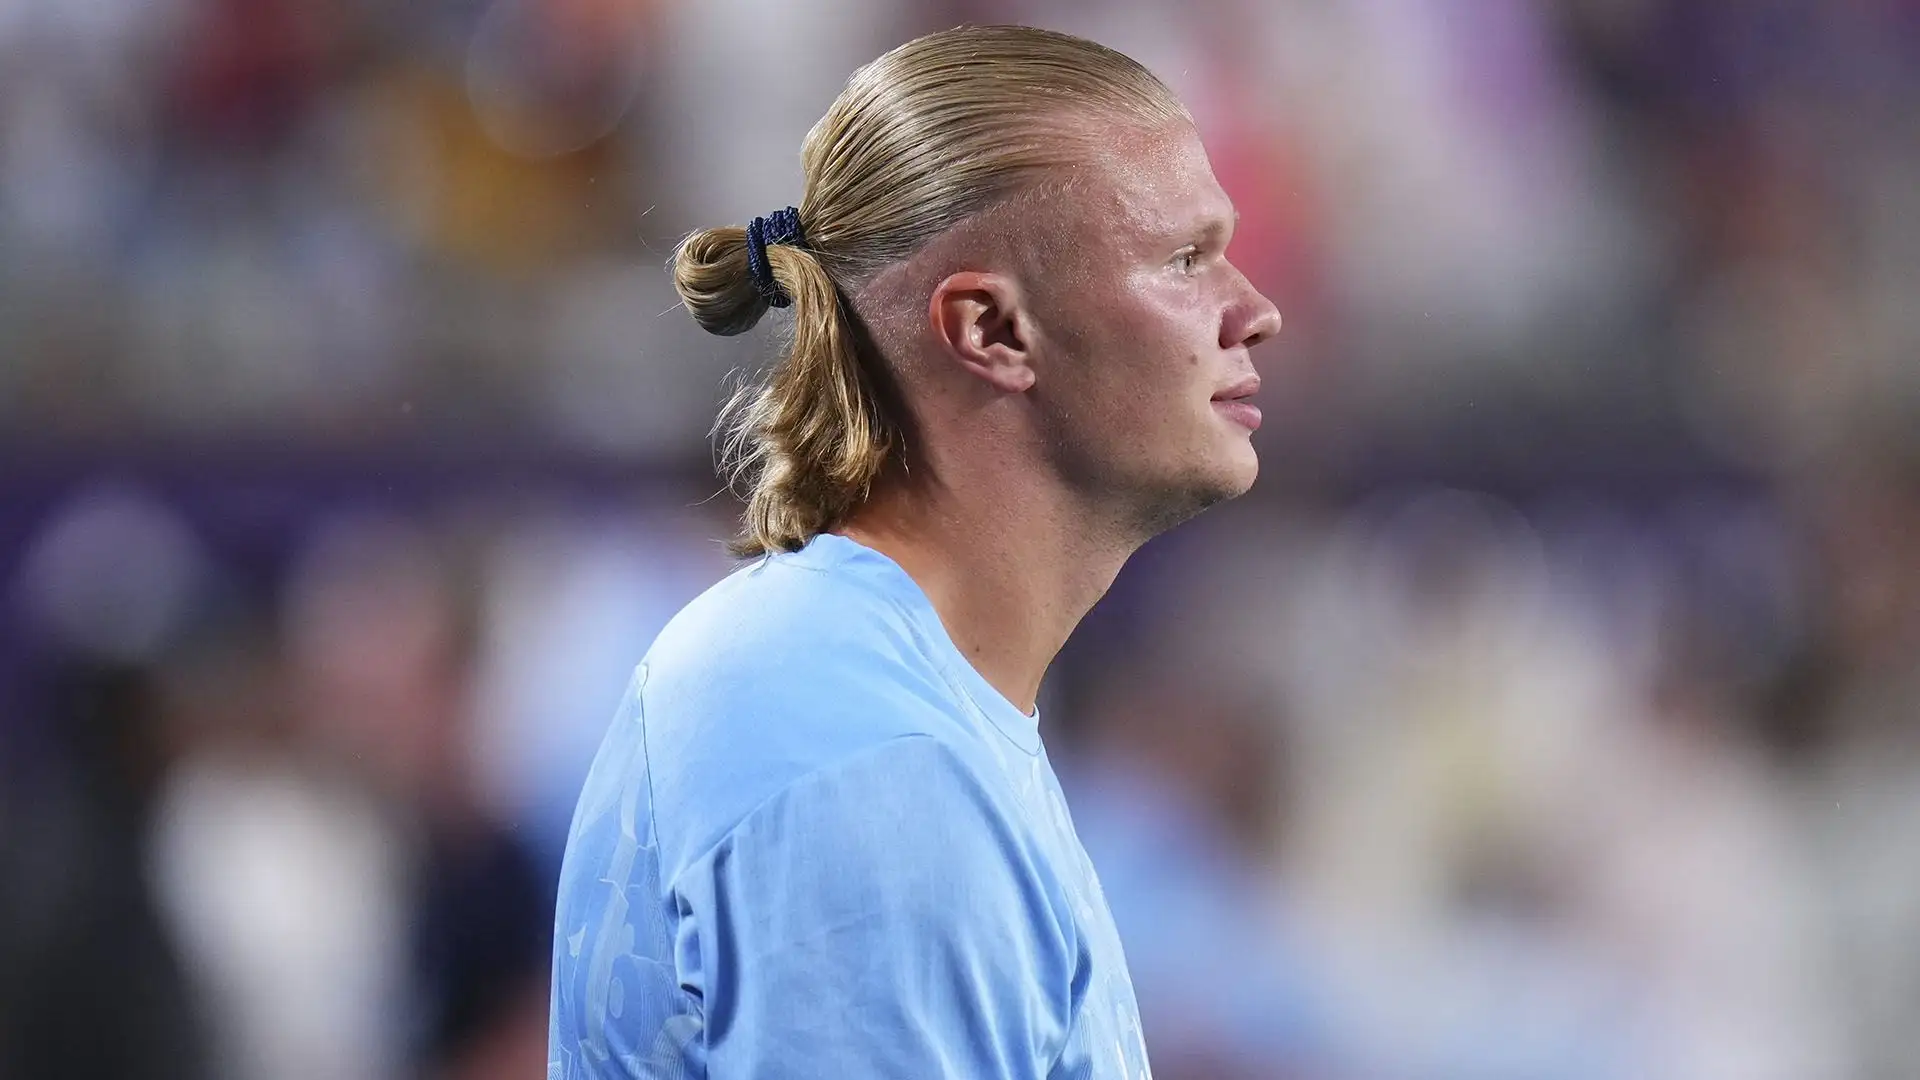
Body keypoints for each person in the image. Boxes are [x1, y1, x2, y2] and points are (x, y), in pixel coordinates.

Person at [548, 23, 1281, 1080]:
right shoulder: (868, 752)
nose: (1255, 312)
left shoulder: (867, 694)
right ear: (991, 330)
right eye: (1183, 260)